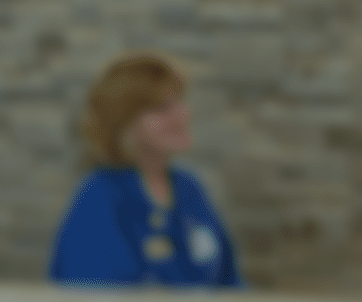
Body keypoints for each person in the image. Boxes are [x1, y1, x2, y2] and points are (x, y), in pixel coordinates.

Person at [49, 53, 242, 287]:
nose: (181, 116)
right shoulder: (99, 198)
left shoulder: (190, 189)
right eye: (162, 109)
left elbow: (230, 283)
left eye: (180, 102)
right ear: (123, 124)